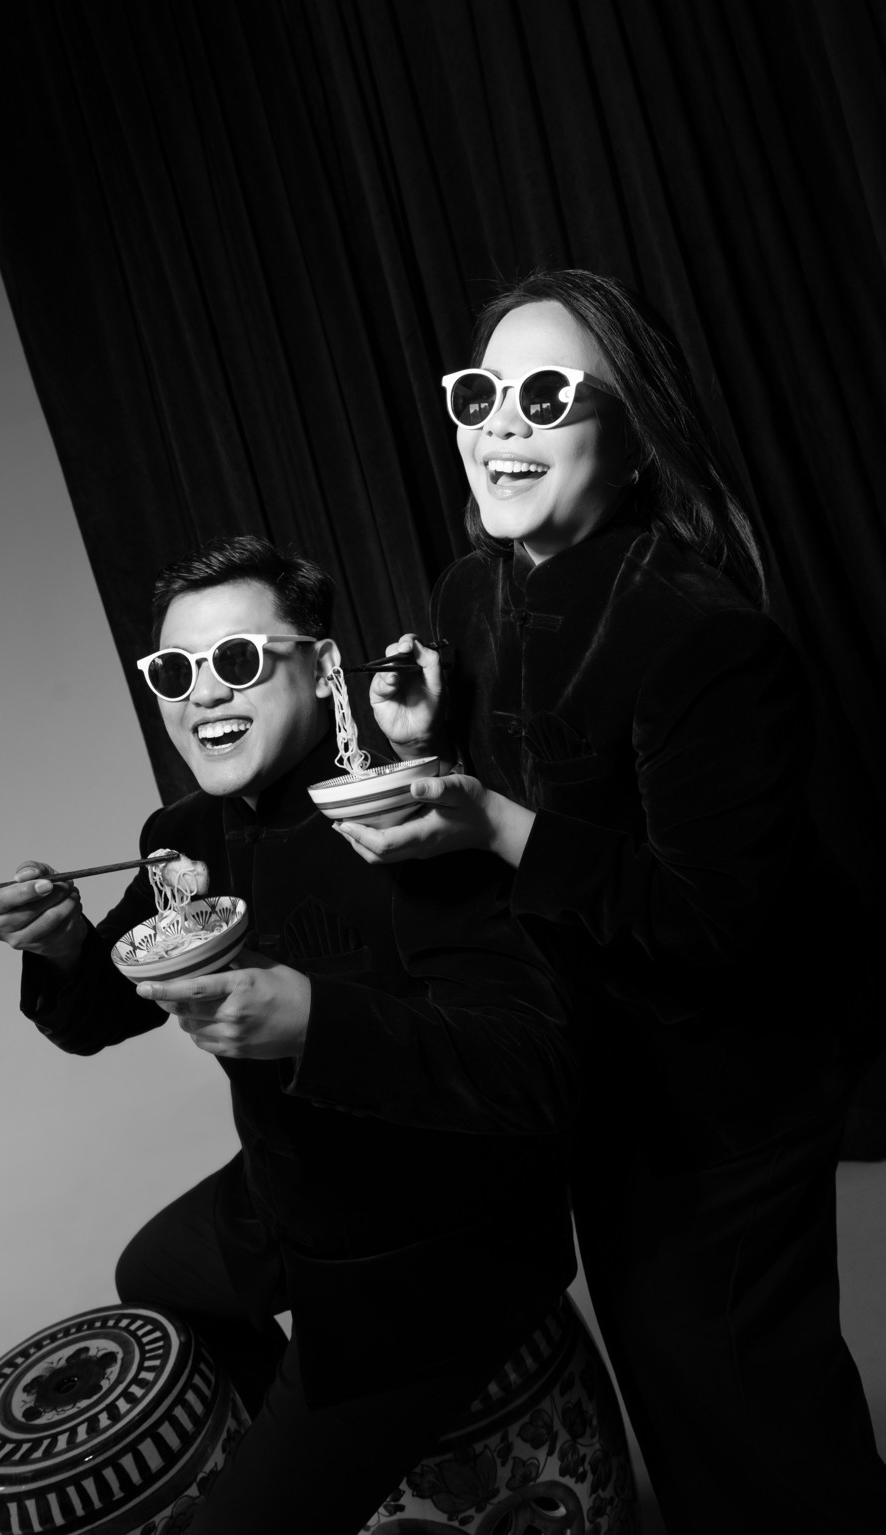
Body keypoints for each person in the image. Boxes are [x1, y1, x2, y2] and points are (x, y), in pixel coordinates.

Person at [338, 269, 886, 1534]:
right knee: (675, 1394)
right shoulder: (469, 592)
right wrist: (424, 745)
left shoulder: (706, 636)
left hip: (728, 1092)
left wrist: (488, 817)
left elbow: (712, 922)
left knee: (754, 1404)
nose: (502, 423)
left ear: (634, 437)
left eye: (547, 394)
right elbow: (514, 801)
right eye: (479, 394)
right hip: (597, 1072)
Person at [0, 535, 582, 1534]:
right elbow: (97, 1016)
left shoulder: (411, 808)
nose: (204, 693)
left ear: (323, 664)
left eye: (236, 659)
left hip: (432, 1248)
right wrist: (62, 945)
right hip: (288, 1194)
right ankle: (298, 1444)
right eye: (174, 671)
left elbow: (536, 1069)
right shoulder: (184, 835)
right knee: (151, 1270)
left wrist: (312, 1020)